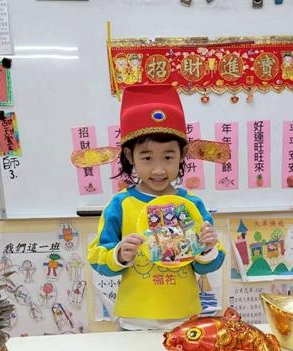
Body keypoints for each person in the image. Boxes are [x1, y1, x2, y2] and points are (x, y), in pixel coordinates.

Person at [87, 85, 225, 330]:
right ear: (130, 156)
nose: (159, 169)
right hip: (134, 320)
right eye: (147, 158)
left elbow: (212, 263)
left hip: (184, 316)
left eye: (168, 157)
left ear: (182, 154)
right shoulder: (120, 204)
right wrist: (118, 254)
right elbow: (97, 258)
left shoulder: (191, 204)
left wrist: (207, 248)